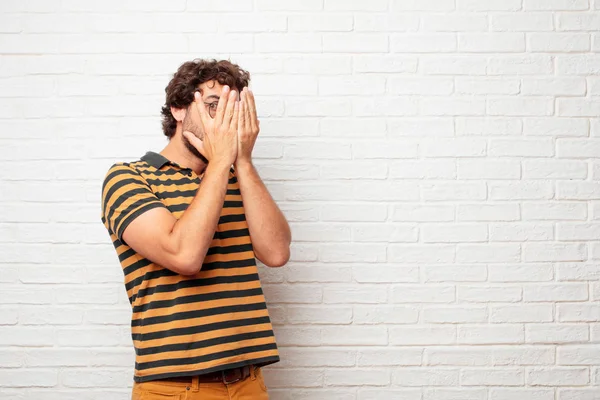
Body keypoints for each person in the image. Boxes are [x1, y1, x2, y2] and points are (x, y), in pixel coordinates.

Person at [100, 59, 291, 400]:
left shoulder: (237, 178)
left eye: (234, 111)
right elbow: (185, 256)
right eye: (213, 106)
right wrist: (221, 162)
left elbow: (276, 253)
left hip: (249, 383)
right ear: (177, 108)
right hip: (176, 389)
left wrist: (242, 162)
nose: (224, 121)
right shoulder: (129, 177)